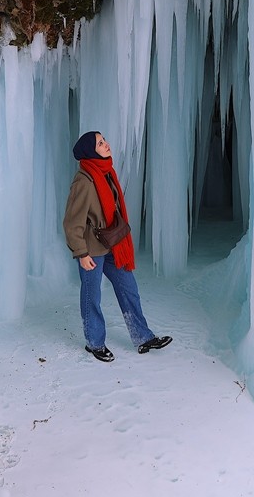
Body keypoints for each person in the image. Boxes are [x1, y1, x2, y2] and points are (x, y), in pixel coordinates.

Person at [62, 130, 172, 362]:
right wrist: (81, 253)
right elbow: (72, 222)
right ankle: (94, 343)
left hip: (112, 244)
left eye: (104, 140)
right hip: (92, 249)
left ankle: (143, 337)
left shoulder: (106, 171)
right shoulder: (84, 181)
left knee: (128, 288)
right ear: (91, 152)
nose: (106, 144)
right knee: (92, 295)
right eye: (100, 143)